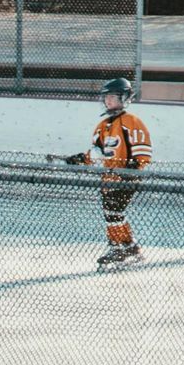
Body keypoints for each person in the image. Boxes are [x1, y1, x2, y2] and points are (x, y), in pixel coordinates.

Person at [62, 76, 151, 268]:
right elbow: (97, 154)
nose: (108, 101)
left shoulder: (132, 122)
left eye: (113, 97)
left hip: (126, 178)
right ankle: (130, 247)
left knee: (113, 211)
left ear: (125, 98)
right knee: (112, 213)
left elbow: (142, 152)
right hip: (108, 179)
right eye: (107, 97)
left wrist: (132, 171)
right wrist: (80, 158)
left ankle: (117, 247)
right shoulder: (102, 126)